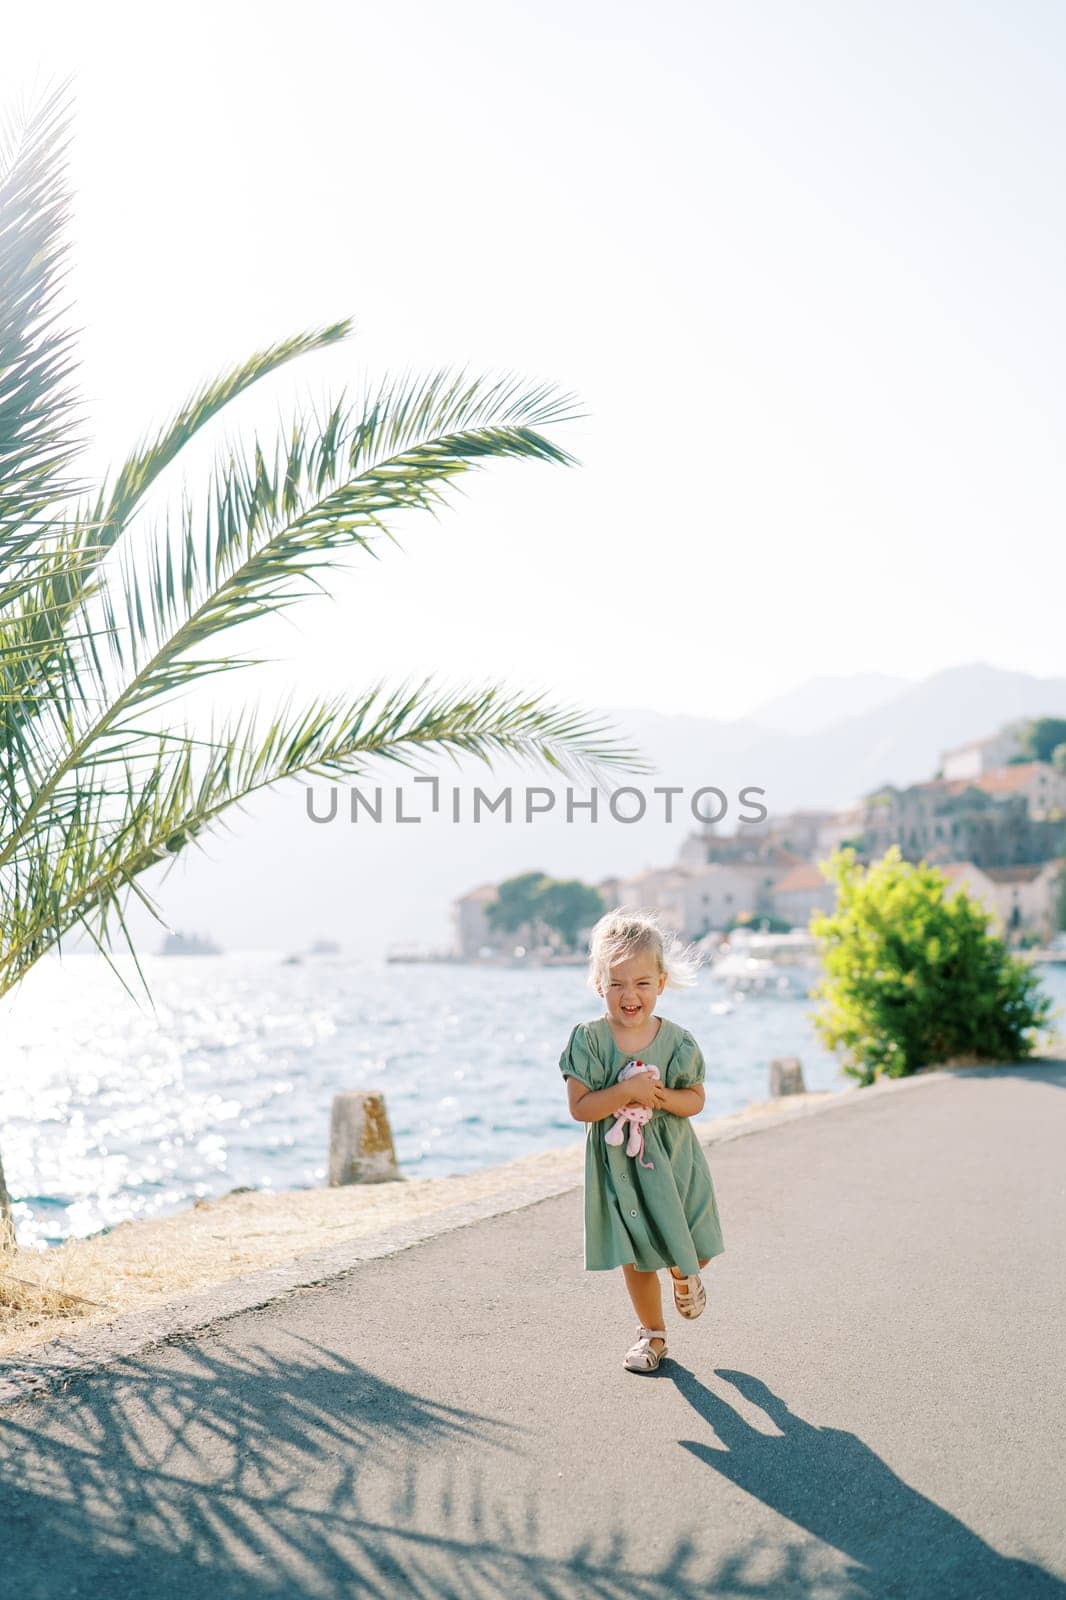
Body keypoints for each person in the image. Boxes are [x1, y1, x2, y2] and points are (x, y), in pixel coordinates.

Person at [559, 908, 725, 1373]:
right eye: (616, 985)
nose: (629, 995)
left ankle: (683, 1271)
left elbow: (695, 1099)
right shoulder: (589, 1040)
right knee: (637, 1255)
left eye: (641, 983)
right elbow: (580, 1109)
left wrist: (662, 1097)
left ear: (661, 983)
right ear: (598, 986)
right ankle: (652, 1336)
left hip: (674, 1158)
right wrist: (624, 1092)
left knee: (700, 1246)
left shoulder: (677, 1041)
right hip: (620, 1167)